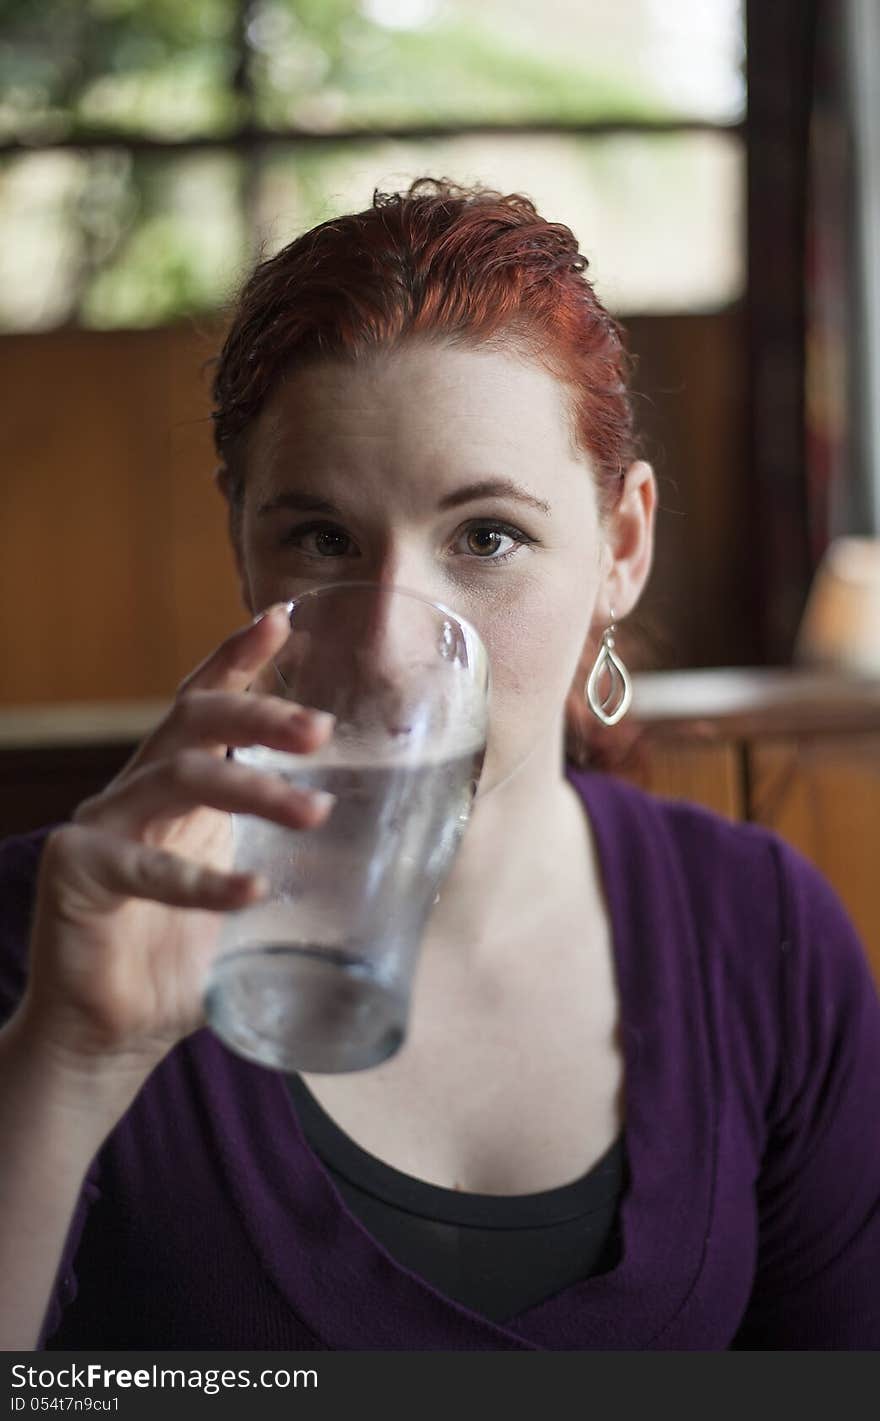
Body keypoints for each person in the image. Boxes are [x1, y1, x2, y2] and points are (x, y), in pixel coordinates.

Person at [1, 176, 879, 1352]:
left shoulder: (759, 935)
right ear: (238, 537)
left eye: (487, 537)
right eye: (323, 539)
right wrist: (68, 1056)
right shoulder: (53, 936)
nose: (387, 645)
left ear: (622, 546)